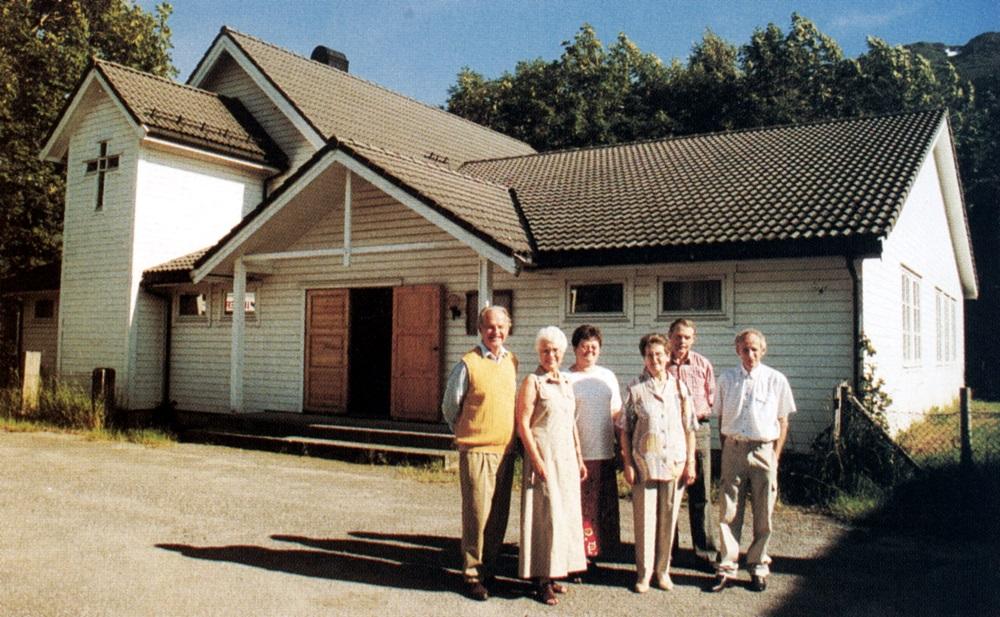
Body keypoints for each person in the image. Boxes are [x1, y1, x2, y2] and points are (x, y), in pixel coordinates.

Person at [709, 329, 796, 593]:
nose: (750, 354)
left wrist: (775, 455)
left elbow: (783, 421)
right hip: (733, 450)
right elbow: (721, 419)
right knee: (729, 510)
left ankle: (758, 565)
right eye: (745, 349)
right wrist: (729, 450)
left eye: (755, 349)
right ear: (738, 350)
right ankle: (727, 566)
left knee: (763, 511)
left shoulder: (775, 380)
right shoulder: (726, 379)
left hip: (764, 451)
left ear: (763, 350)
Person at [442, 306, 518, 602]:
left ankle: (490, 568)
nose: (495, 332)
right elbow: (451, 406)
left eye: (501, 327)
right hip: (476, 450)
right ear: (480, 329)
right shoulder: (468, 363)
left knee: (498, 515)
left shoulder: (512, 361)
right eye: (490, 327)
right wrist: (466, 433)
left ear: (508, 328)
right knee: (477, 514)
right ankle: (472, 573)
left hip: (505, 450)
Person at [517, 326, 588, 605]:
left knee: (564, 516)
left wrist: (580, 458)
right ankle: (541, 580)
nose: (551, 355)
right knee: (545, 517)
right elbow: (522, 424)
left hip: (566, 459)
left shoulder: (566, 383)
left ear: (563, 352)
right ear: (539, 352)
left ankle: (557, 572)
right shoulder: (532, 382)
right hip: (543, 458)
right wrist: (535, 460)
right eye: (545, 350)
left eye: (555, 350)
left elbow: (571, 424)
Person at [620, 333, 696, 593]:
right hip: (645, 464)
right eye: (650, 355)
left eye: (660, 354)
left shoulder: (679, 388)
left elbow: (690, 428)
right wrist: (628, 463)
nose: (655, 359)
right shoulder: (635, 388)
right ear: (644, 357)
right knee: (644, 520)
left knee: (668, 519)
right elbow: (624, 430)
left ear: (668, 356)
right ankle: (644, 574)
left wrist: (691, 464)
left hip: (674, 462)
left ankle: (663, 571)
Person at [665, 319, 719, 568]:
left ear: (693, 339)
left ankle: (705, 553)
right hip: (668, 431)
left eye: (687, 337)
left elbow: (710, 398)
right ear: (670, 336)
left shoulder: (702, 364)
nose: (682, 341)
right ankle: (668, 551)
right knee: (669, 493)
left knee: (701, 493)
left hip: (698, 430)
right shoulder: (659, 362)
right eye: (677, 336)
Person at [567, 324, 623, 564]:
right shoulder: (565, 377)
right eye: (584, 346)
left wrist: (622, 449)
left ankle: (598, 553)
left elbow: (617, 413)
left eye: (594, 347)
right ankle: (579, 556)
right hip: (577, 455)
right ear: (575, 348)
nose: (589, 351)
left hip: (604, 452)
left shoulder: (607, 376)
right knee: (579, 508)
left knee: (601, 507)